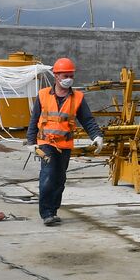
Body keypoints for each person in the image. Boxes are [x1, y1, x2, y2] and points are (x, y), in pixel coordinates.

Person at [25, 57, 104, 226]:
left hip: (65, 145)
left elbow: (87, 120)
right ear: (56, 76)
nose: (68, 78)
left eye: (71, 75)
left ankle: (52, 211)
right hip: (46, 144)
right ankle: (46, 213)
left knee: (59, 179)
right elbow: (34, 120)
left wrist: (96, 136)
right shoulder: (43, 95)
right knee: (48, 176)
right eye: (65, 75)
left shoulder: (78, 98)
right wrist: (31, 142)